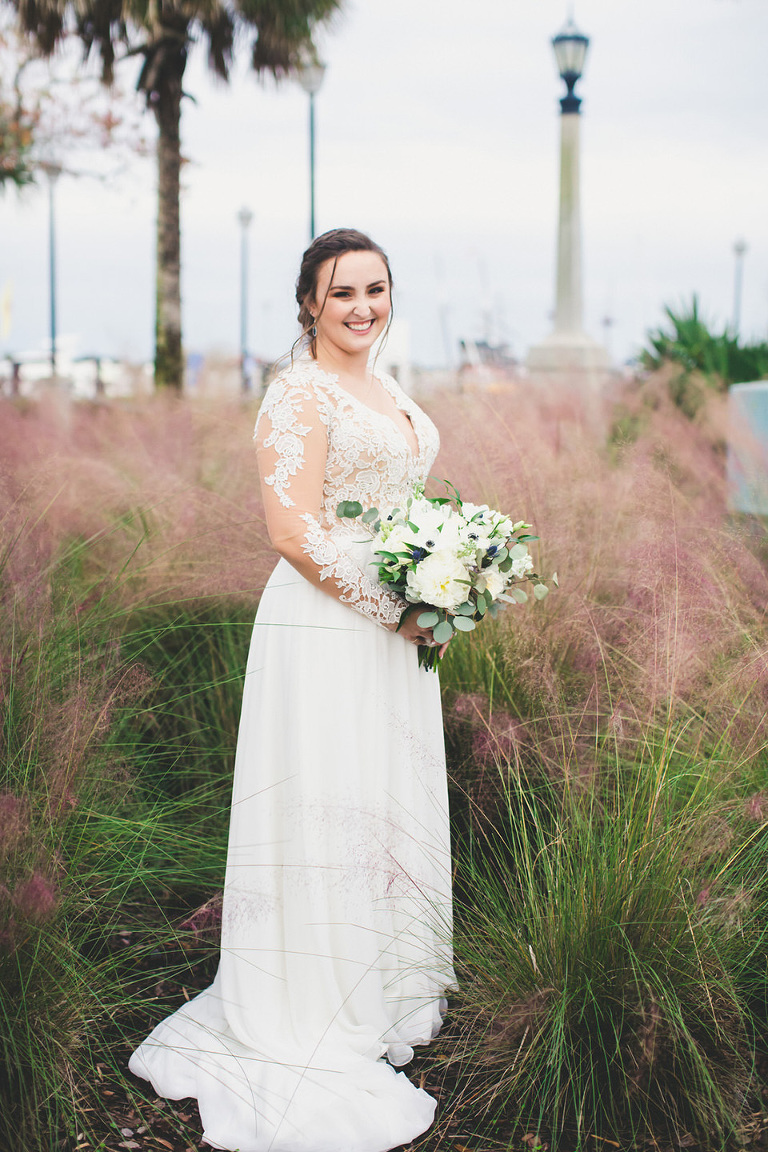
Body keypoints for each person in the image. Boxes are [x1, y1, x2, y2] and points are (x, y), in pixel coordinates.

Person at [129, 228, 455, 1152]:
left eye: (376, 290)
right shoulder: (298, 393)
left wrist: (444, 575)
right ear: (309, 302)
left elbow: (402, 505)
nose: (362, 308)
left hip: (395, 623)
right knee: (330, 796)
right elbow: (291, 529)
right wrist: (389, 604)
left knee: (381, 795)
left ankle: (382, 984)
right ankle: (314, 993)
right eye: (342, 292)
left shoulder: (386, 388)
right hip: (327, 623)